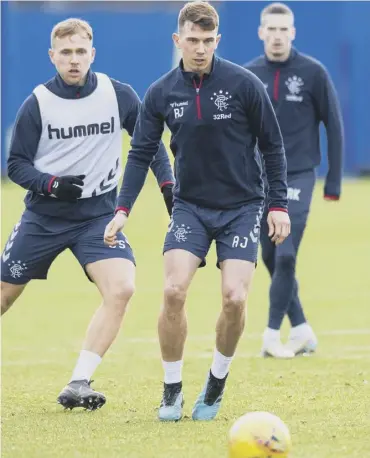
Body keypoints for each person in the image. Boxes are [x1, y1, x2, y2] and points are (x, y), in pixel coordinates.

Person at [104, 1, 290, 422]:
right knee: (173, 292)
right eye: (192, 40)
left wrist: (277, 204)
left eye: (208, 41)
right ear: (178, 40)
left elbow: (273, 146)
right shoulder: (161, 92)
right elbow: (140, 155)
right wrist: (122, 209)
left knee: (235, 298)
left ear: (217, 40)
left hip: (243, 206)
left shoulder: (243, 85)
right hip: (190, 207)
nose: (200, 48)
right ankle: (171, 390)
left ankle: (217, 380)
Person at [1, 18, 175, 411]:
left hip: (97, 217)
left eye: (81, 52)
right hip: (44, 217)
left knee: (123, 288)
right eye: (66, 53)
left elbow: (150, 144)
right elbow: (15, 165)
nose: (74, 60)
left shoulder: (119, 95)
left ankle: (79, 381)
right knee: (4, 296)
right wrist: (50, 184)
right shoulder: (38, 104)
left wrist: (168, 187)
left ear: (92, 54)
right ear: (52, 57)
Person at [244, 2, 344, 358]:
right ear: (260, 32)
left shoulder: (313, 73)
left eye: (283, 29)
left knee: (285, 256)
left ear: (293, 33)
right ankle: (302, 330)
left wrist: (333, 181)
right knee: (271, 257)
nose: (276, 36)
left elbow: (333, 124)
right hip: (259, 182)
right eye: (270, 29)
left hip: (299, 175)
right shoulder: (249, 75)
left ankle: (272, 336)